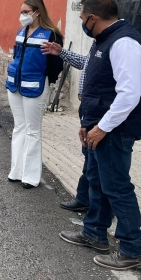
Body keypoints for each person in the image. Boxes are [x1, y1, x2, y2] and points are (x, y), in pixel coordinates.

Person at [59, 0, 141, 271]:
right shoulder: (103, 41)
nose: (82, 23)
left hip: (114, 131)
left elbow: (129, 94)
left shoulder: (124, 42)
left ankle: (132, 249)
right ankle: (94, 232)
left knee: (117, 187)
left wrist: (102, 127)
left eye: (82, 18)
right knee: (97, 180)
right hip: (97, 126)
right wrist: (87, 122)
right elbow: (98, 86)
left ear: (93, 18)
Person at [6, 0, 64, 189]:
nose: (22, 16)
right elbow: (17, 55)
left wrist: (47, 80)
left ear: (37, 12)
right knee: (19, 127)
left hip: (36, 86)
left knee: (33, 130)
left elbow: (56, 63)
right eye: (21, 12)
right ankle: (16, 171)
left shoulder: (51, 34)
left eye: (26, 12)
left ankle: (30, 177)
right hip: (14, 85)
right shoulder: (22, 30)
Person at [42, 38, 95, 212]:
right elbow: (84, 64)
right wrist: (62, 52)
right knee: (89, 156)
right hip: (87, 107)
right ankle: (84, 198)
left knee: (98, 161)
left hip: (98, 110)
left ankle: (99, 208)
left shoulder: (116, 44)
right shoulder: (98, 43)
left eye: (84, 17)